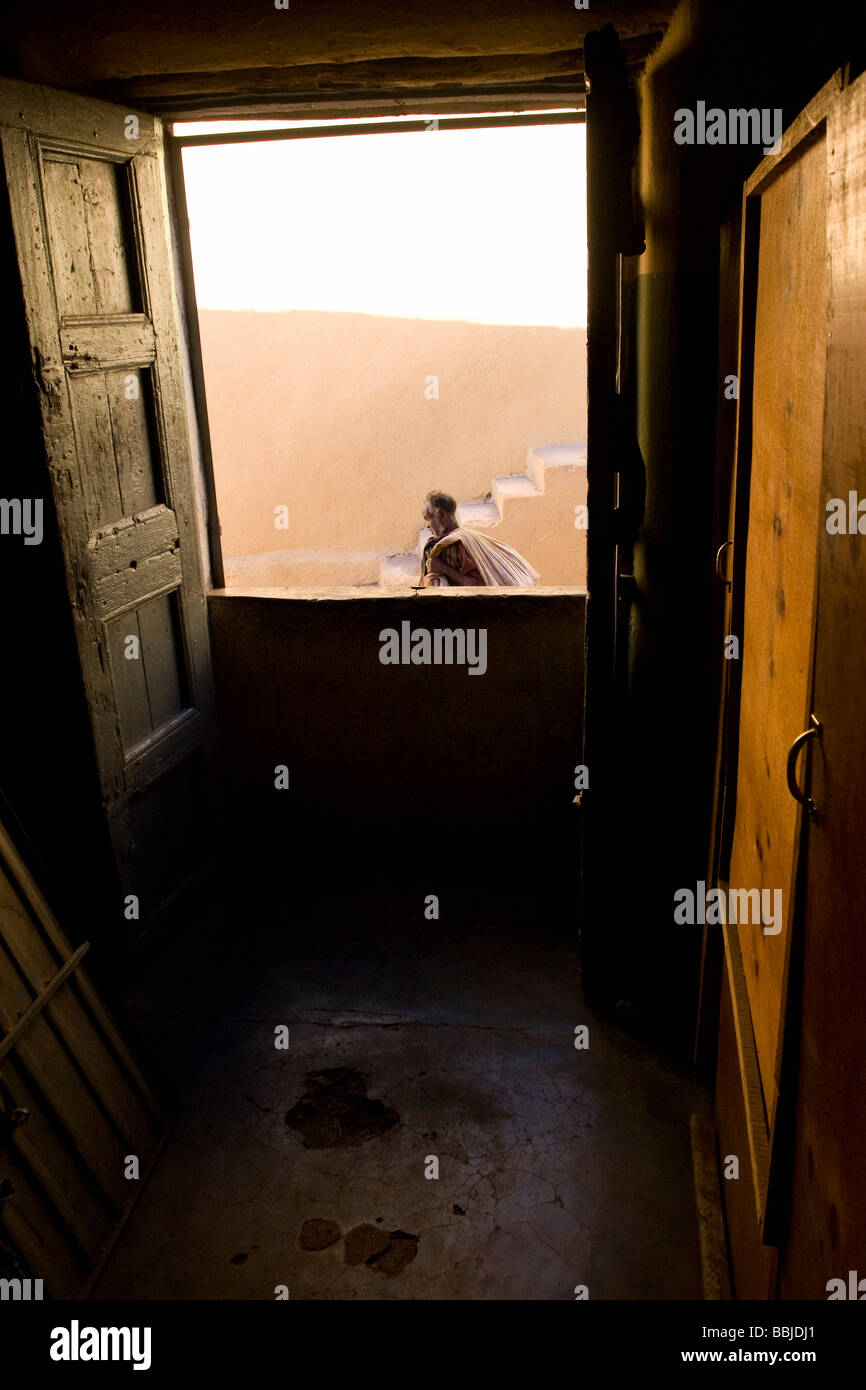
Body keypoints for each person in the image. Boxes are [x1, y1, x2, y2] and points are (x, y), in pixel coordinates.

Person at [419, 490, 540, 587]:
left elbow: (479, 587)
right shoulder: (469, 537)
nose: (427, 525)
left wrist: (444, 569)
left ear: (441, 514)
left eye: (428, 518)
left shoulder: (459, 543)